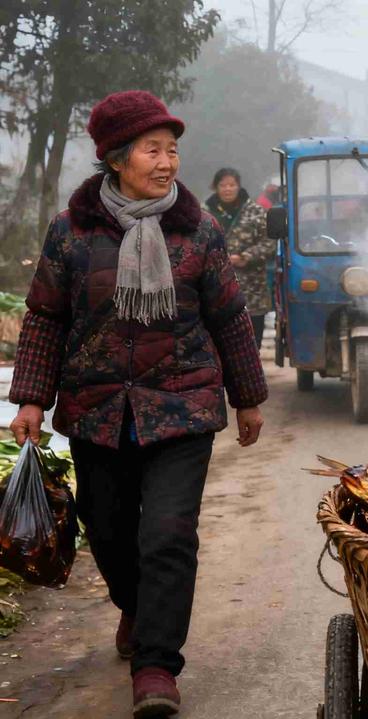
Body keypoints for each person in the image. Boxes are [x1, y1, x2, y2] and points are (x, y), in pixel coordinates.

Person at [7, 91, 267, 716]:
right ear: (116, 158)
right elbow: (44, 317)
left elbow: (230, 316)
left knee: (169, 536)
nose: (167, 162)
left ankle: (156, 667)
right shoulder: (72, 231)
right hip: (96, 409)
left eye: (173, 150)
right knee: (112, 535)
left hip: (182, 405)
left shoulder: (197, 229)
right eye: (153, 150)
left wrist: (249, 396)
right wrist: (31, 400)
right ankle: (136, 607)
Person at [206, 168, 271, 349]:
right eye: (223, 185)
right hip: (216, 289)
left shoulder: (255, 211)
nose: (228, 189)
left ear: (239, 186)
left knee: (251, 341)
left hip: (252, 289)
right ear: (216, 187)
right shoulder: (205, 213)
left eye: (232, 185)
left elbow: (269, 242)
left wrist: (247, 257)